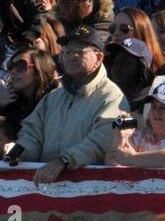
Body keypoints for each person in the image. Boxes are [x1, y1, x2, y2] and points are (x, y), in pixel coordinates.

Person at [14, 25, 128, 184]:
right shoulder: (53, 97)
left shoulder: (112, 97)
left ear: (99, 57)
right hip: (45, 187)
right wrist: (18, 152)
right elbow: (31, 132)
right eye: (66, 51)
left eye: (79, 52)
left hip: (88, 191)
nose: (71, 56)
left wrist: (65, 161)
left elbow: (103, 141)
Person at [0, 46, 59, 129]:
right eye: (10, 66)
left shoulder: (54, 100)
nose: (12, 71)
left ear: (39, 70)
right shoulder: (11, 100)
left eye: (20, 66)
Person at [112, 7, 165, 73]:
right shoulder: (104, 65)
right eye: (112, 28)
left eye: (124, 28)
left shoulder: (161, 73)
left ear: (141, 32)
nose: (116, 33)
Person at [104, 36, 155, 102]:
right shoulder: (105, 95)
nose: (117, 67)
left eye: (125, 63)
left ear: (141, 69)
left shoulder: (153, 103)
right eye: (116, 61)